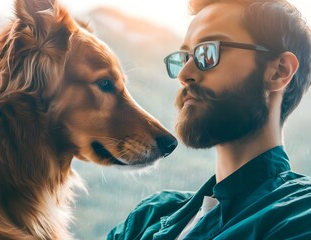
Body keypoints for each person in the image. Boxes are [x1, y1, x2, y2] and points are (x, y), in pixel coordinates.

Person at [107, 0, 311, 239]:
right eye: (185, 58)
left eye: (208, 52)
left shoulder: (300, 215)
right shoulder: (147, 218)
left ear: (279, 71)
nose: (184, 74)